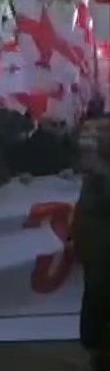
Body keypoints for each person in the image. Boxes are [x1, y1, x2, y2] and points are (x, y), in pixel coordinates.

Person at [74, 120, 110, 371]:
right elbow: (84, 209)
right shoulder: (94, 175)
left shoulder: (98, 174)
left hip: (100, 244)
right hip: (96, 245)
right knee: (96, 295)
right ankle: (96, 351)